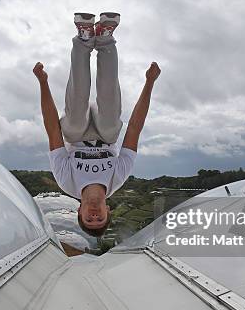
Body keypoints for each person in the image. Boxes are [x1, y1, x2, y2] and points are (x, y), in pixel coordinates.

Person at [33, 12, 160, 237]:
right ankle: (105, 38)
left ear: (79, 211)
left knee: (72, 125)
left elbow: (53, 129)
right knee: (112, 127)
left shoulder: (67, 181)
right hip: (104, 129)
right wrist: (149, 83)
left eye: (88, 218)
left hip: (77, 131)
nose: (94, 214)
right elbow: (133, 130)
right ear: (107, 210)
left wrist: (43, 83)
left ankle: (83, 38)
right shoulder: (117, 178)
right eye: (99, 218)